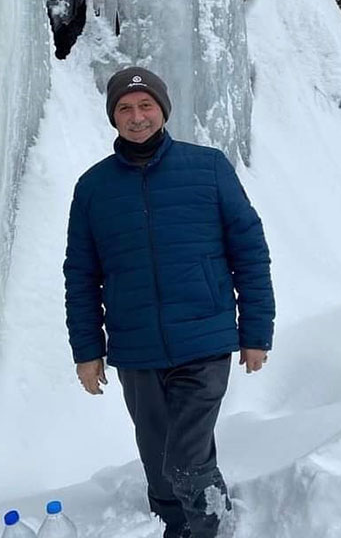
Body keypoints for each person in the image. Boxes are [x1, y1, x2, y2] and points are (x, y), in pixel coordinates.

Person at [63, 66, 274, 538]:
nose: (137, 117)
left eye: (146, 106)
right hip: (136, 350)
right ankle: (176, 526)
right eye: (125, 108)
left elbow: (250, 251)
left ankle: (212, 529)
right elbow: (81, 275)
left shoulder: (208, 167)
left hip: (204, 338)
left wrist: (255, 333)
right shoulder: (93, 188)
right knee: (159, 460)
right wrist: (87, 352)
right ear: (113, 117)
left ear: (162, 109)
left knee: (186, 457)